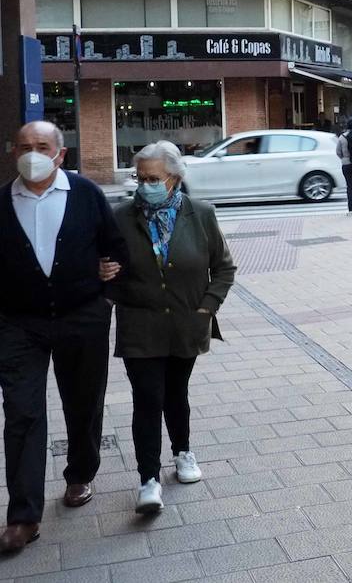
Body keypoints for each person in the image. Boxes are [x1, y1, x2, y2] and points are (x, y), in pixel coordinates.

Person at [0, 122, 127, 553]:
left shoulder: (86, 194)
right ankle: (23, 515)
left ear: (60, 154)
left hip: (82, 319)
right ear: (13, 151)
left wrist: (106, 294)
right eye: (24, 146)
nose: (31, 153)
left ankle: (79, 474)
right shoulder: (2, 201)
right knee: (21, 414)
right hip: (19, 325)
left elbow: (116, 249)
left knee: (83, 402)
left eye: (41, 147)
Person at [108, 142, 235, 515]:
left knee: (176, 393)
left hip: (186, 324)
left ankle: (182, 452)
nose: (145, 184)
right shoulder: (120, 218)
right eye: (140, 177)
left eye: (153, 178)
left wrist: (206, 307)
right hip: (139, 327)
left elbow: (224, 268)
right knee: (148, 398)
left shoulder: (201, 214)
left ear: (175, 179)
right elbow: (105, 269)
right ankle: (148, 478)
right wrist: (105, 279)